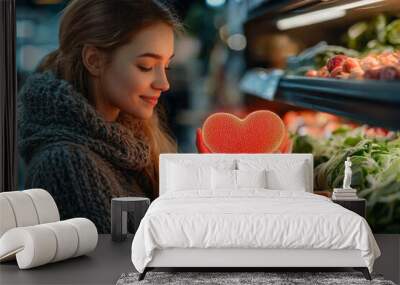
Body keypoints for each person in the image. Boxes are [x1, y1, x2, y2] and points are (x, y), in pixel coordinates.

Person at [18, 0, 182, 233]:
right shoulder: (67, 164)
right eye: (146, 66)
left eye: (166, 67)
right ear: (94, 61)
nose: (164, 84)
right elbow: (121, 265)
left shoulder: (130, 142)